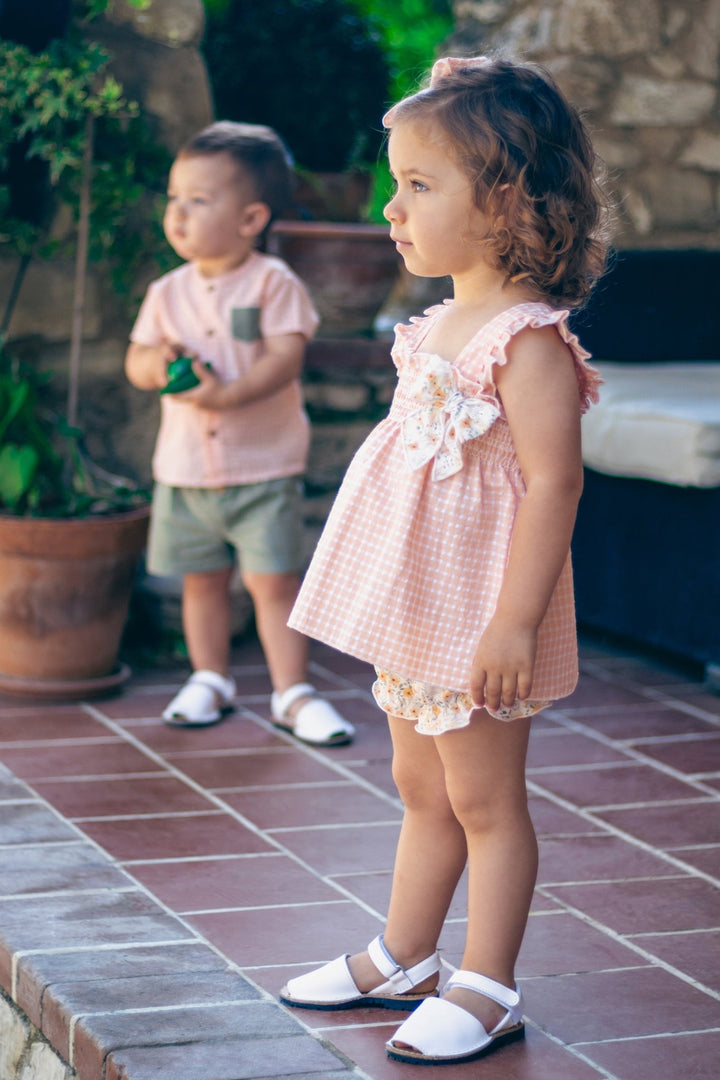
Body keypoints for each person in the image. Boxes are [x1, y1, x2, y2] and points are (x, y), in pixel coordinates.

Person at [279, 55, 610, 1064]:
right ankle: (406, 954)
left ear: (506, 201)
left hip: (479, 619)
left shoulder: (530, 343)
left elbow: (554, 485)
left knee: (485, 803)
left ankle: (489, 983)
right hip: (416, 608)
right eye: (397, 183)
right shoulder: (430, 327)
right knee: (420, 789)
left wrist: (514, 621)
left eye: (420, 186)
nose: (392, 206)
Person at [125, 121, 354, 747]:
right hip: (186, 471)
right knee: (200, 580)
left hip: (263, 467)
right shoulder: (165, 293)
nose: (178, 213)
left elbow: (284, 358)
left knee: (272, 581)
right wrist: (158, 364)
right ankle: (210, 679)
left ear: (251, 217)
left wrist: (224, 394)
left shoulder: (273, 283)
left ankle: (293, 691)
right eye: (175, 198)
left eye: (199, 201)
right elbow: (137, 361)